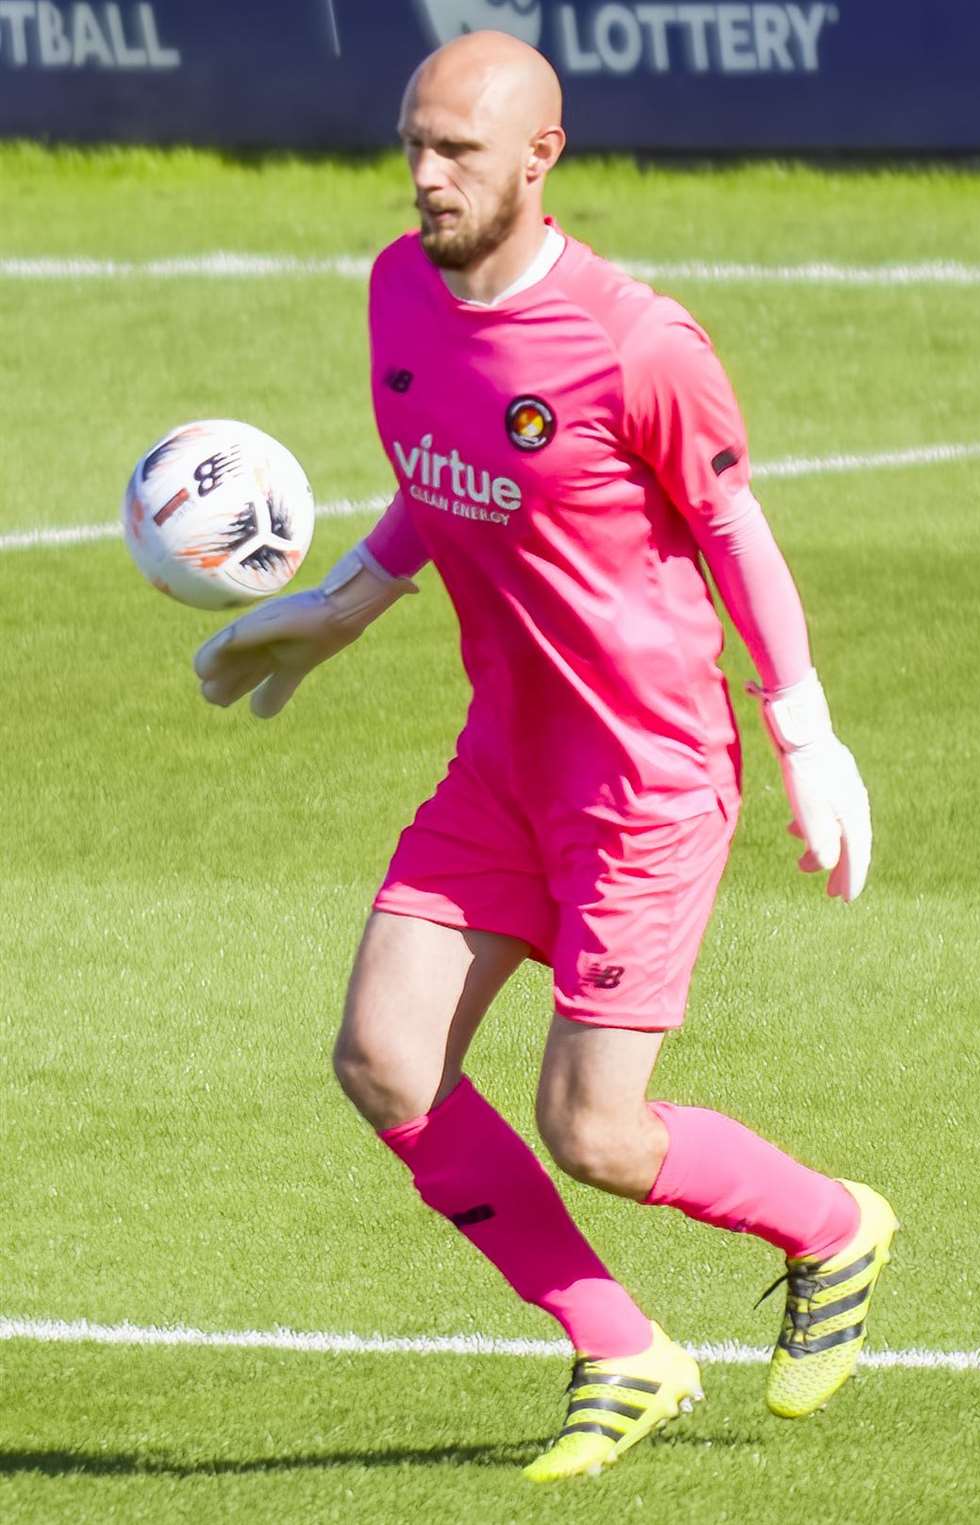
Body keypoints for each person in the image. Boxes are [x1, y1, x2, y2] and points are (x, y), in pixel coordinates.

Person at [195, 30, 896, 1483]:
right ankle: (619, 1345)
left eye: (456, 149)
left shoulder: (638, 344)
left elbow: (733, 529)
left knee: (595, 1125)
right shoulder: (398, 289)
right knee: (386, 1061)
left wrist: (806, 726)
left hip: (644, 779)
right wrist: (336, 609)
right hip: (503, 760)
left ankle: (834, 1224)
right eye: (412, 143)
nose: (425, 174)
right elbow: (434, 480)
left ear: (540, 157)